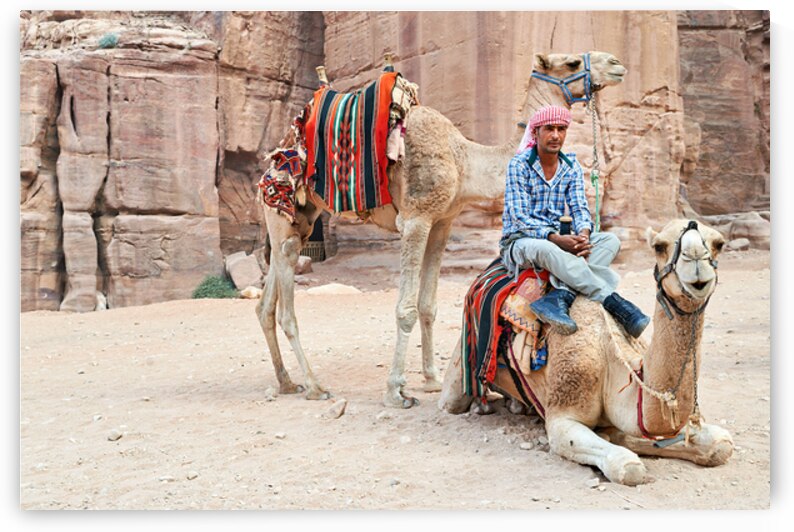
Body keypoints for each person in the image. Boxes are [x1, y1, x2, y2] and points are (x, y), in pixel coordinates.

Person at [500, 105, 649, 338]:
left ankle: (561, 295)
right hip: (523, 241)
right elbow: (520, 217)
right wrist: (556, 239)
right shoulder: (519, 165)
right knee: (546, 249)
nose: (556, 135)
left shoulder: (571, 166)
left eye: (561, 129)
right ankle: (613, 301)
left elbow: (580, 207)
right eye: (549, 129)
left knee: (609, 241)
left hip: (562, 239)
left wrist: (584, 235)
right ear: (536, 132)